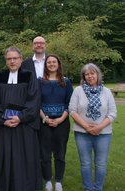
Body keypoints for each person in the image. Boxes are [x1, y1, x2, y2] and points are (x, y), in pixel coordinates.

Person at [0, 46, 42, 191]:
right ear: (5, 61)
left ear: (20, 59)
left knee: (25, 157)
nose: (12, 61)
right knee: (6, 157)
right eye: (9, 59)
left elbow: (34, 100)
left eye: (15, 58)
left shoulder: (30, 76)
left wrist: (20, 117)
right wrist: (3, 119)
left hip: (24, 125)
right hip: (5, 126)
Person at [69, 63, 117, 191]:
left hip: (103, 134)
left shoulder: (106, 92)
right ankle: (88, 188)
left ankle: (98, 187)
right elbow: (72, 110)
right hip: (82, 133)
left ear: (97, 74)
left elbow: (112, 113)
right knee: (85, 163)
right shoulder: (78, 91)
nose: (90, 76)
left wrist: (99, 127)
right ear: (84, 77)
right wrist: (87, 127)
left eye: (92, 73)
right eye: (87, 74)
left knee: (101, 164)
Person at [38, 54, 73, 191]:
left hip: (62, 122)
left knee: (60, 153)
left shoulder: (66, 82)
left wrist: (60, 119)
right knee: (45, 153)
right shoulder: (40, 81)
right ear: (46, 65)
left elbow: (69, 103)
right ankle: (47, 180)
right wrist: (45, 118)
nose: (51, 64)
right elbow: (37, 102)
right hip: (44, 121)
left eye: (54, 62)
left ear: (58, 64)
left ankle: (58, 180)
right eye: (49, 62)